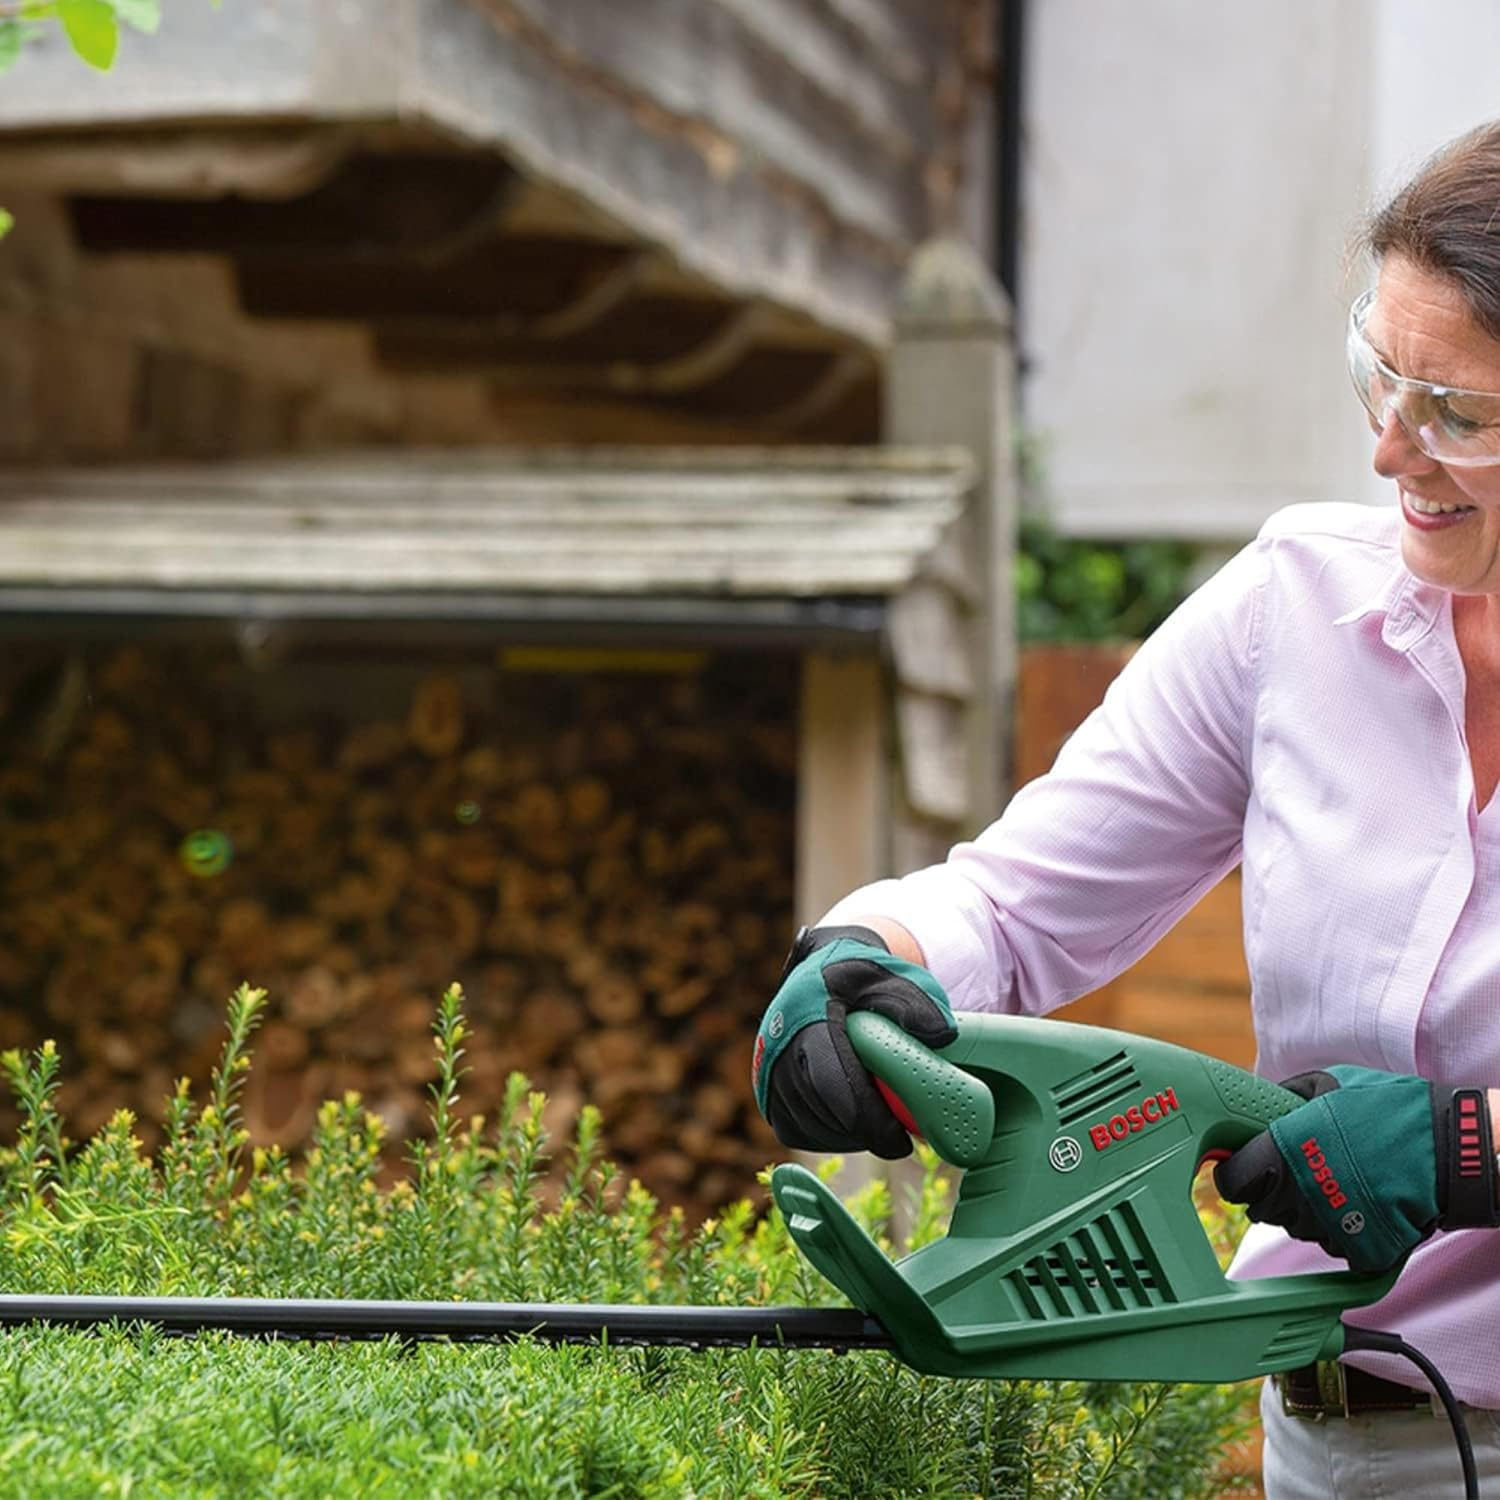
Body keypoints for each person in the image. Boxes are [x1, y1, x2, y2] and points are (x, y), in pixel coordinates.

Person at [752, 119, 1500, 1499]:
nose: (1393, 451)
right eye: (1375, 377)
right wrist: (866, 958)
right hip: (1338, 1452)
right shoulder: (1291, 616)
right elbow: (1016, 901)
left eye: (1456, 413)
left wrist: (1472, 1150)